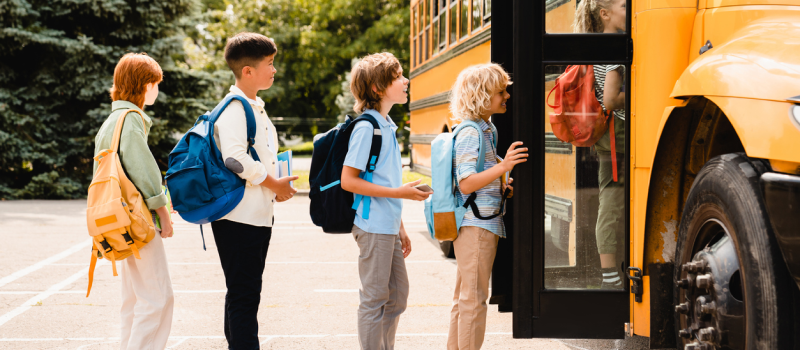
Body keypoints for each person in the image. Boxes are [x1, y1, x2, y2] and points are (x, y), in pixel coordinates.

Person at [210, 32, 298, 349]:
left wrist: (277, 182)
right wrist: (273, 183)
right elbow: (234, 158)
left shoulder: (253, 105)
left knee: (241, 294)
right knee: (244, 297)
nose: (274, 70)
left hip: (255, 216)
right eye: (270, 63)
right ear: (247, 70)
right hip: (239, 218)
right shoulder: (235, 107)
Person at [340, 52, 431, 350]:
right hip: (373, 227)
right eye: (398, 77)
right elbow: (348, 180)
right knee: (375, 299)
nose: (405, 81)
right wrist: (401, 193)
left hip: (388, 227)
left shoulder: (387, 125)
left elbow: (384, 181)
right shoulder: (368, 128)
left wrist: (400, 226)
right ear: (378, 88)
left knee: (397, 296)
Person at [93, 53, 175, 350]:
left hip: (116, 220)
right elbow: (146, 173)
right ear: (144, 85)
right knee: (158, 297)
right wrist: (163, 215)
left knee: (133, 298)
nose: (157, 89)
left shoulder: (111, 121)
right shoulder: (131, 120)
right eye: (155, 83)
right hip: (137, 220)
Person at [447, 63, 526, 350]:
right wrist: (503, 166)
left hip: (479, 222)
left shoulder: (486, 129)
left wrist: (500, 183)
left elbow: (477, 178)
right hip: (475, 226)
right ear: (481, 95)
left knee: (465, 297)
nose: (506, 96)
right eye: (500, 92)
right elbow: (466, 183)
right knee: (474, 299)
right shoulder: (471, 133)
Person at [574, 0, 628, 289]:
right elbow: (610, 99)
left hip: (607, 135)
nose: (629, 9)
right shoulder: (614, 48)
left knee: (611, 198)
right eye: (623, 5)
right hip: (618, 133)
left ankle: (611, 270)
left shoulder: (600, 45)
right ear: (605, 14)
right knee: (612, 200)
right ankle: (610, 274)